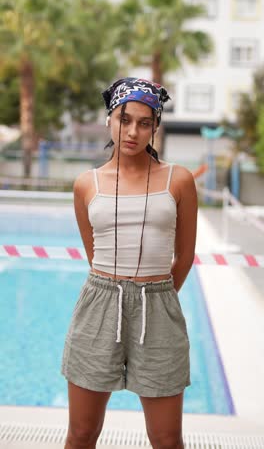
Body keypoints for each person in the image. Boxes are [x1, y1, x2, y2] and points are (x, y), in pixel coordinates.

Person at [61, 77, 198, 449]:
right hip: (99, 305)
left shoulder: (179, 180)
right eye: (125, 120)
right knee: (81, 433)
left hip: (159, 306)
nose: (133, 131)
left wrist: (155, 296)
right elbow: (94, 254)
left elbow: (184, 257)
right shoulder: (86, 184)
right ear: (110, 120)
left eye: (144, 122)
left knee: (167, 438)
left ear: (155, 127)